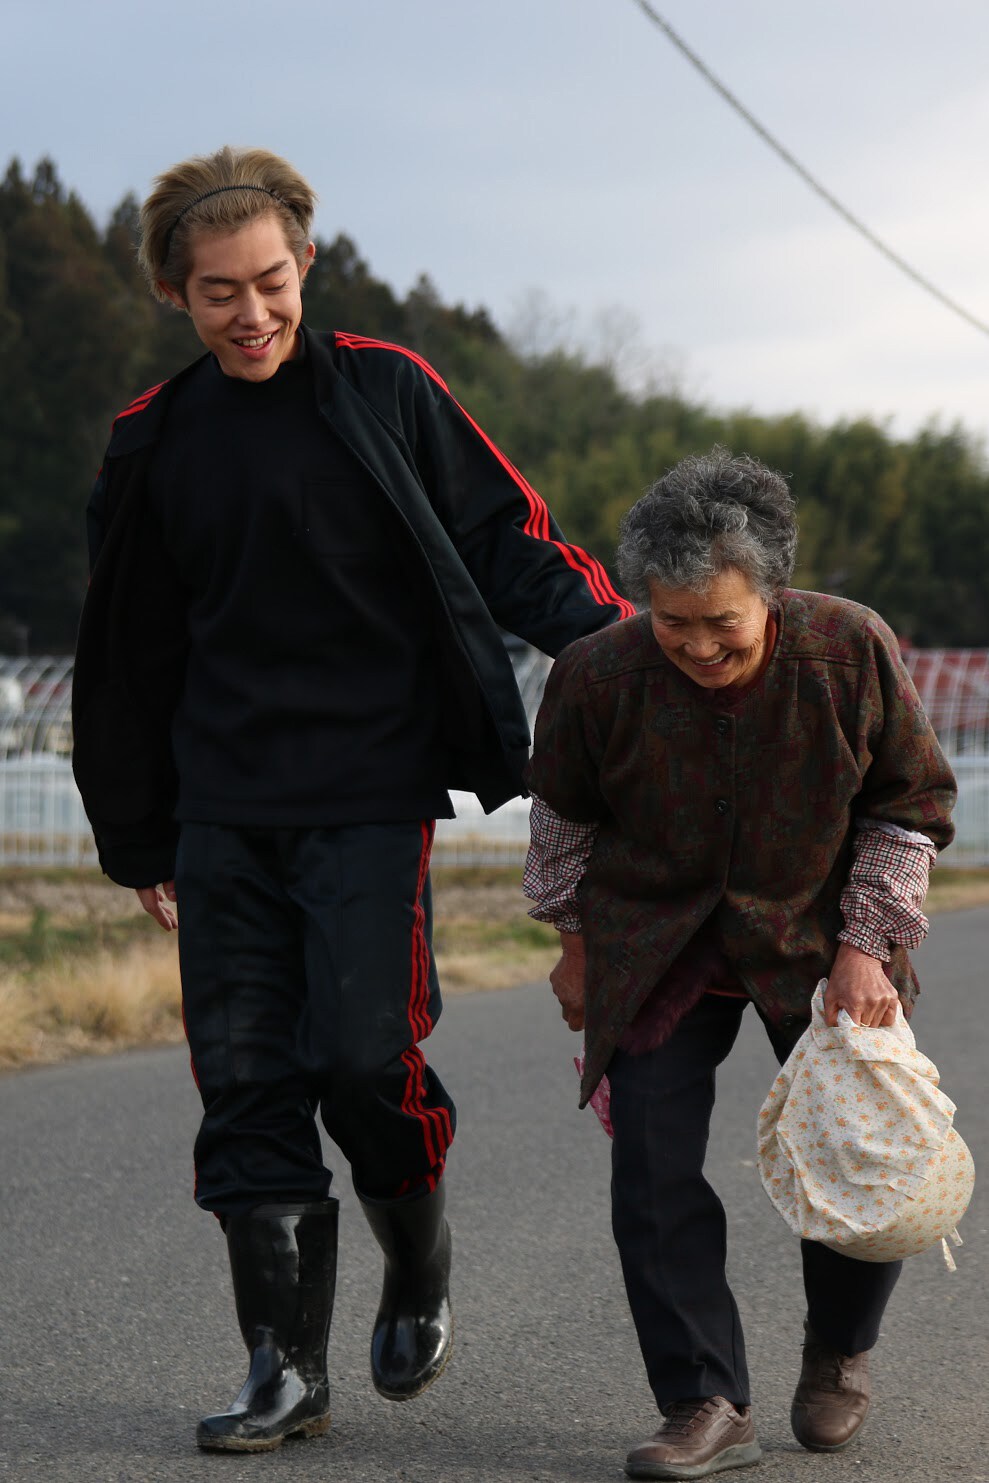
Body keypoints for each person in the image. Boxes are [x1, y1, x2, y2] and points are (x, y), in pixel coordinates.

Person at [71, 144, 633, 1453]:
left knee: (364, 1055)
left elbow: (512, 543)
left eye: (271, 281)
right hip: (221, 804)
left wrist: (622, 643)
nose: (252, 312)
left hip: (370, 790)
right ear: (176, 293)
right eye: (219, 292)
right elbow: (129, 649)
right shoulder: (152, 444)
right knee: (250, 1075)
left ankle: (417, 1248)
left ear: (305, 263)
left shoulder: (389, 391)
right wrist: (140, 829)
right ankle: (281, 1364)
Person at [523, 447, 955, 1480]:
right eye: (673, 623)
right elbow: (563, 822)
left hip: (817, 932)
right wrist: (572, 945)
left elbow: (906, 806)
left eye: (724, 621)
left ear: (770, 590)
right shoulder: (598, 674)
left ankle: (838, 1353)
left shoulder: (847, 648)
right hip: (653, 941)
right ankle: (702, 1400)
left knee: (858, 1152)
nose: (699, 645)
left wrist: (864, 946)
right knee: (651, 1174)